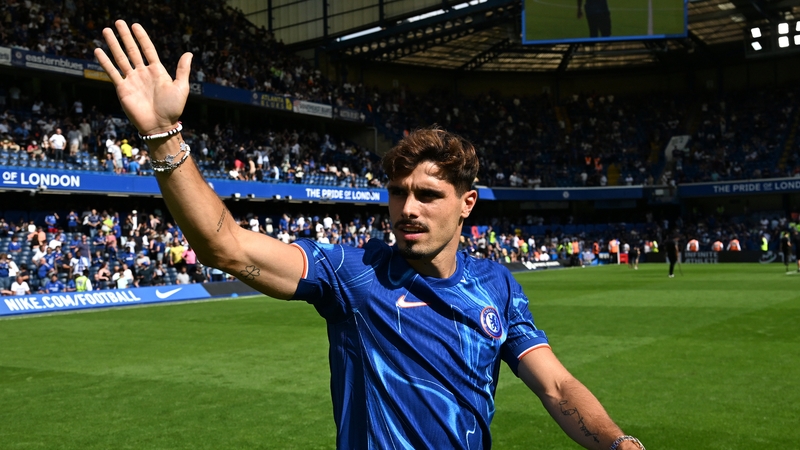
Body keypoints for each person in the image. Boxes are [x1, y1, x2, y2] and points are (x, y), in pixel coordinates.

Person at [95, 21, 645, 450]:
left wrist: (618, 442)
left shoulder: (496, 286)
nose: (408, 208)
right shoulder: (352, 272)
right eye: (398, 192)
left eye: (428, 195)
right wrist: (161, 135)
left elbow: (555, 386)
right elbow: (226, 246)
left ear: (466, 204)